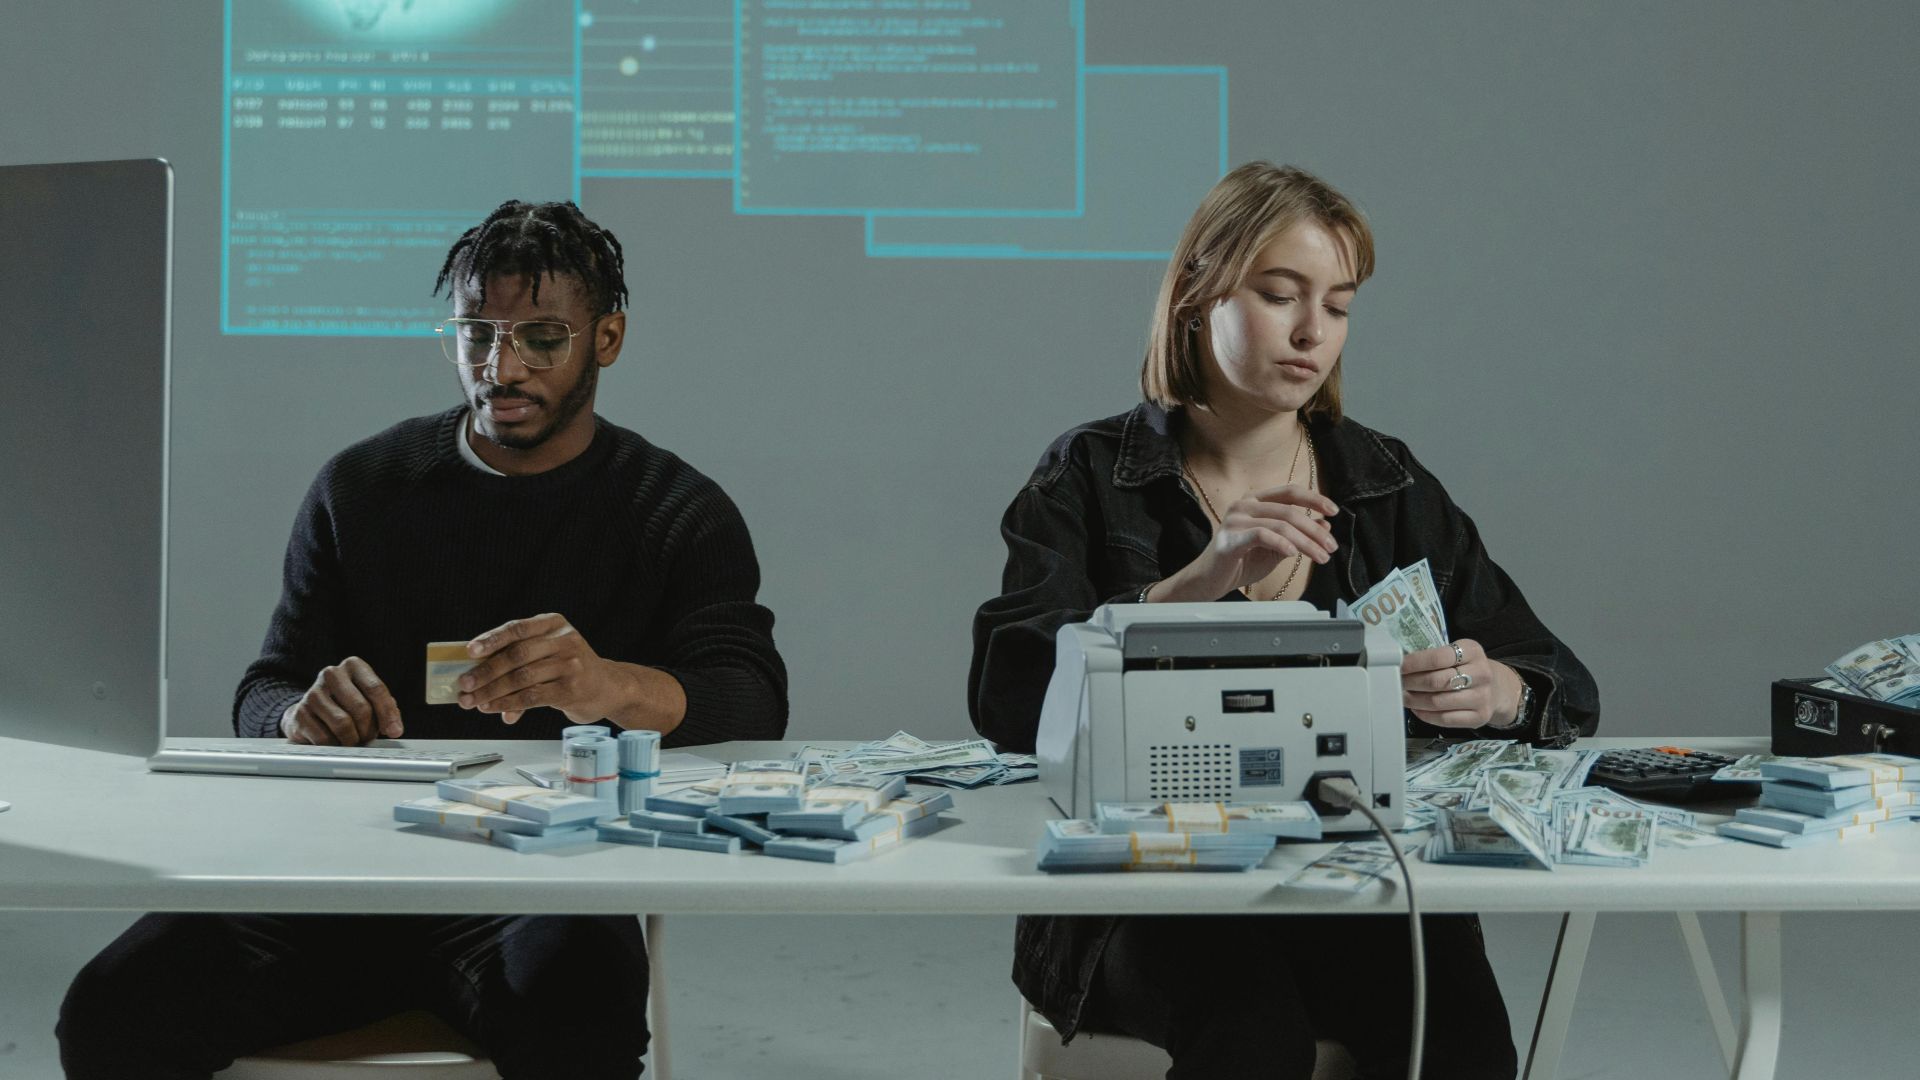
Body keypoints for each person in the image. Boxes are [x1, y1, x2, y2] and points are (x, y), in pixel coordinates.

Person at [57, 200, 788, 1080]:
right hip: (336, 873)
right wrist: (298, 715)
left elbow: (751, 698)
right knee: (112, 1009)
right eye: (475, 335)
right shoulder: (362, 487)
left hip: (540, 879)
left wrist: (603, 687)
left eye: (542, 338)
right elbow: (265, 688)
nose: (500, 367)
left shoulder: (673, 510)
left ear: (608, 339)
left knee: (579, 1015)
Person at [969, 162, 1599, 1080]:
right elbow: (1007, 698)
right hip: (1140, 893)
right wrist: (1198, 580)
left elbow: (1557, 682)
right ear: (1197, 293)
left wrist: (1496, 690)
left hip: (1346, 881)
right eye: (1279, 295)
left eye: (1338, 306)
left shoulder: (1385, 480)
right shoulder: (1089, 475)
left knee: (1463, 1045)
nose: (1313, 332)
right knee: (1252, 1041)